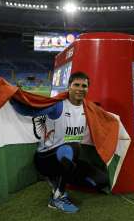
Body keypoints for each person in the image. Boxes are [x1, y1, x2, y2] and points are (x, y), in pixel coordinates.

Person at [33, 71, 109, 213]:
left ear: (88, 88)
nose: (80, 89)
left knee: (101, 180)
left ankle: (55, 178)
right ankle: (57, 197)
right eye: (76, 85)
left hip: (66, 157)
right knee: (73, 146)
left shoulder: (88, 108)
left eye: (84, 86)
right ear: (69, 86)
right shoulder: (58, 106)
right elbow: (33, 107)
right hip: (45, 159)